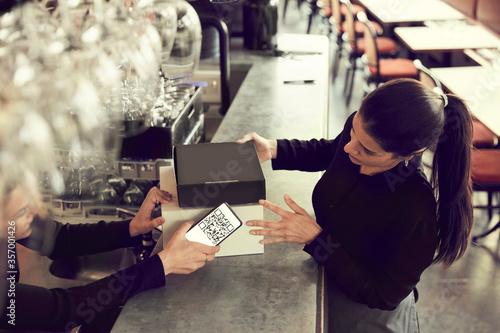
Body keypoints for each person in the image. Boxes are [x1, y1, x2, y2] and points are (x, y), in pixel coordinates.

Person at [238, 78, 474, 332]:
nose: (350, 147)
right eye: (353, 132)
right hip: (330, 279)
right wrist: (274, 149)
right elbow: (333, 151)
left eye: (368, 151)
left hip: (368, 315)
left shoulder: (415, 209)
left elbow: (384, 296)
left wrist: (317, 240)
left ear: (408, 154)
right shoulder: (362, 134)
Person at [0, 181, 220, 332]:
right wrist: (162, 264)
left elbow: (58, 238)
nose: (34, 213)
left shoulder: (9, 223)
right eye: (21, 213)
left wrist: (131, 228)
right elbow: (63, 310)